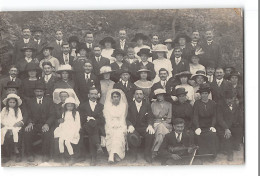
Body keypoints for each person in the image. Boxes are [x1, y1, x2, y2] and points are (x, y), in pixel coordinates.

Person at [24, 81, 55, 162]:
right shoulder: (30, 101)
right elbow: (27, 114)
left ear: (44, 92)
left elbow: (52, 115)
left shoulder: (49, 101)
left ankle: (45, 154)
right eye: (37, 91)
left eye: (41, 91)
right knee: (27, 132)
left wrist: (47, 124)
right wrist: (30, 123)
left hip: (45, 124)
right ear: (34, 92)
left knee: (47, 133)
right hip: (34, 124)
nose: (39, 93)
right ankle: (29, 154)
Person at [126, 88, 155, 163]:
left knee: (150, 134)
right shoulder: (129, 105)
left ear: (143, 96)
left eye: (140, 94)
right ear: (134, 95)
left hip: (143, 127)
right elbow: (126, 118)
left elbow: (150, 117)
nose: (139, 96)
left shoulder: (147, 105)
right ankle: (133, 155)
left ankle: (147, 154)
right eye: (137, 94)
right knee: (131, 135)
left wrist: (150, 125)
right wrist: (129, 125)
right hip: (133, 127)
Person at [79, 88, 105, 166]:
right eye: (92, 94)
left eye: (95, 94)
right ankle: (97, 146)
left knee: (92, 129)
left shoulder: (101, 106)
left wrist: (94, 121)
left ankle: (93, 157)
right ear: (88, 95)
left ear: (98, 95)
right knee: (90, 127)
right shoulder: (83, 105)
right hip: (85, 127)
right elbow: (80, 117)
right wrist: (88, 119)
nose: (93, 96)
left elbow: (102, 119)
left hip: (96, 127)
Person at [217, 91, 243, 161]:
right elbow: (220, 119)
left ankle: (235, 145)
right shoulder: (220, 106)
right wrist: (226, 128)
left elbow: (239, 117)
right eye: (227, 99)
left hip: (233, 126)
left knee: (239, 130)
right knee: (227, 135)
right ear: (225, 99)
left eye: (231, 99)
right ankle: (230, 153)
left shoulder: (235, 106)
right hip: (223, 127)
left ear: (233, 99)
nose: (229, 100)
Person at [193, 83, 218, 157]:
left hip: (209, 125)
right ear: (200, 94)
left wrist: (212, 126)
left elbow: (214, 116)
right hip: (200, 125)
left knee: (212, 135)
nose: (204, 95)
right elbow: (195, 116)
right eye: (202, 93)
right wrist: (197, 127)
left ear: (208, 94)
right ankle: (202, 155)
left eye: (206, 93)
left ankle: (212, 154)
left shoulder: (213, 103)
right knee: (198, 136)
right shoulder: (197, 103)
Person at [103, 89, 128, 163]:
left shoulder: (123, 105)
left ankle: (112, 155)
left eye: (117, 96)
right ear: (111, 98)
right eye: (114, 97)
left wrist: (120, 126)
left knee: (118, 134)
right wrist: (112, 125)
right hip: (109, 124)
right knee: (113, 133)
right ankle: (115, 155)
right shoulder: (107, 106)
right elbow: (107, 118)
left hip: (121, 124)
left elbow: (122, 118)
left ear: (120, 98)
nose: (116, 98)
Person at [54, 97, 80, 164]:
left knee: (67, 142)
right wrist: (60, 128)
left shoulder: (76, 113)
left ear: (74, 106)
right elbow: (63, 122)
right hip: (65, 129)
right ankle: (62, 156)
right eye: (68, 106)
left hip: (72, 130)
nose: (70, 107)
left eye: (71, 106)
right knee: (60, 141)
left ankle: (72, 157)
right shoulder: (64, 113)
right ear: (66, 106)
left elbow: (78, 124)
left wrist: (76, 132)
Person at [1, 94, 23, 162]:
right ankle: (6, 154)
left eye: (14, 102)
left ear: (16, 103)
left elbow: (20, 118)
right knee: (3, 133)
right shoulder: (4, 109)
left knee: (15, 133)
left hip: (14, 126)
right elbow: (1, 117)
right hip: (6, 125)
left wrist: (16, 124)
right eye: (10, 102)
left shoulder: (18, 109)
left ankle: (17, 151)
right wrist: (2, 123)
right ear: (7, 103)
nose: (12, 104)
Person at [151, 89, 172, 158]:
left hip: (166, 124)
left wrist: (163, 122)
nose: (159, 97)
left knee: (161, 130)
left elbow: (169, 118)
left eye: (161, 96)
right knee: (160, 128)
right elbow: (151, 117)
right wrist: (160, 122)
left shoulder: (169, 104)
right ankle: (160, 151)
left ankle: (155, 150)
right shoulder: (153, 104)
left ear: (164, 96)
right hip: (155, 123)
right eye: (158, 96)